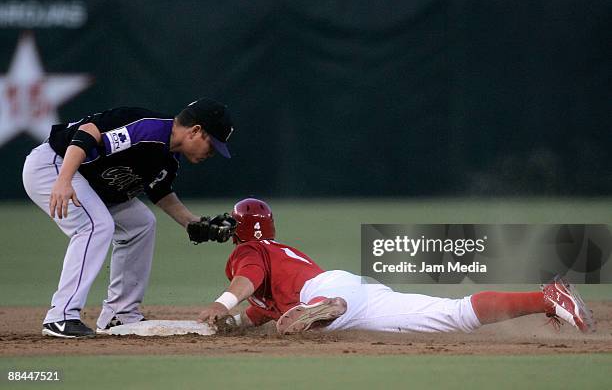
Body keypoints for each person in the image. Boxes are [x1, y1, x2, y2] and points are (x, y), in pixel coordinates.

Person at [197, 198, 595, 335]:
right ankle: (546, 298)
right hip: (354, 292)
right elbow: (256, 314)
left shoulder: (252, 250)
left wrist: (220, 304)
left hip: (323, 292)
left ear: (241, 230)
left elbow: (247, 280)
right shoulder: (283, 255)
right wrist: (230, 324)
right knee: (453, 314)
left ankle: (323, 309)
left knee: (313, 308)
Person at [23, 98, 236, 338]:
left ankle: (119, 314)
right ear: (196, 131)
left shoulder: (169, 158)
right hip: (55, 164)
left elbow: (160, 191)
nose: (212, 153)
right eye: (212, 144)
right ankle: (61, 316)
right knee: (95, 226)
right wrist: (63, 180)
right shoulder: (149, 129)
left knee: (141, 224)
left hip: (88, 183)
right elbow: (88, 132)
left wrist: (191, 222)